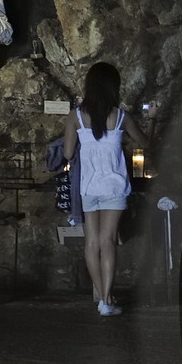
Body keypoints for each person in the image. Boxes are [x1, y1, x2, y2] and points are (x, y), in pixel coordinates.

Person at [63, 62, 146, 316]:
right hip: (114, 185)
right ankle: (107, 301)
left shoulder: (76, 116)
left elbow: (67, 153)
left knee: (92, 243)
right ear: (113, 87)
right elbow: (144, 142)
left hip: (88, 186)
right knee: (108, 241)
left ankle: (103, 298)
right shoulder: (121, 116)